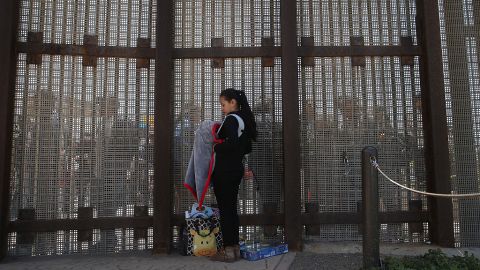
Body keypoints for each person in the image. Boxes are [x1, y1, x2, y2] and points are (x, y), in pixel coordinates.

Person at [210, 88, 257, 262]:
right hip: (236, 169)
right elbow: (246, 148)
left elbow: (232, 144)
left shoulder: (231, 120)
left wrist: (215, 147)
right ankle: (234, 248)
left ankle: (227, 250)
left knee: (225, 210)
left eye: (223, 104)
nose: (222, 108)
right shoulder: (244, 120)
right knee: (231, 210)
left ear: (233, 103)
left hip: (224, 171)